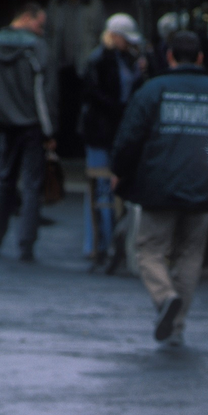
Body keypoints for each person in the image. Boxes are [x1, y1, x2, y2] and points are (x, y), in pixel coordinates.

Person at [111, 30, 208, 346]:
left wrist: (119, 172)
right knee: (190, 255)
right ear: (201, 58)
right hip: (202, 186)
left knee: (149, 250)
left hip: (158, 186)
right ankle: (175, 326)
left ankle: (165, 298)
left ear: (170, 57)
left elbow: (130, 137)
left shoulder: (154, 89)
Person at [0, 1, 57, 262]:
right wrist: (49, 130)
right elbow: (46, 93)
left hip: (4, 123)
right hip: (32, 125)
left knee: (4, 180)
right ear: (29, 18)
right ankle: (25, 246)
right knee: (32, 186)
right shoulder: (37, 48)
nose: (42, 31)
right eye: (40, 25)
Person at [81, 14, 144, 266]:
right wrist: (121, 108)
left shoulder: (127, 59)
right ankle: (98, 243)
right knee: (100, 188)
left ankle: (107, 242)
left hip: (114, 129)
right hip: (101, 131)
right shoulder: (98, 60)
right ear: (115, 36)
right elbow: (94, 94)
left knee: (109, 187)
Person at [46, 0, 105, 156]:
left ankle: (80, 147)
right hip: (60, 64)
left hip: (84, 65)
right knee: (60, 104)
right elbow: (48, 32)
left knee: (83, 106)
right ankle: (61, 144)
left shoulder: (94, 4)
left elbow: (101, 36)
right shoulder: (56, 3)